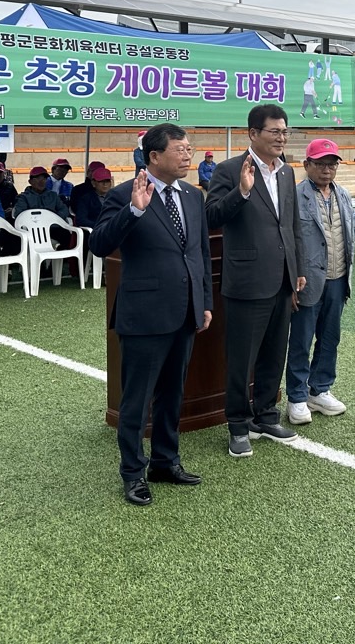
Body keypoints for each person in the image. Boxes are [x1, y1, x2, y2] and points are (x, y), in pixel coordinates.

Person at [89, 124, 212, 506]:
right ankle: (132, 472)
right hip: (144, 315)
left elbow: (200, 254)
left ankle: (165, 461)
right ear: (154, 156)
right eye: (180, 149)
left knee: (172, 394)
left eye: (189, 148)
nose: (188, 155)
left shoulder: (193, 196)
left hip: (185, 311)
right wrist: (133, 211)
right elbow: (99, 244)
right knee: (136, 400)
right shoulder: (126, 194)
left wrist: (205, 301)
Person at [206, 104, 306, 459]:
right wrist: (242, 191)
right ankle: (238, 423)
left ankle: (265, 416)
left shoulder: (286, 172)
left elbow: (291, 225)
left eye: (285, 132)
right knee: (241, 358)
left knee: (274, 354)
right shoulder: (230, 169)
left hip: (282, 279)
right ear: (253, 133)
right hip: (247, 280)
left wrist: (297, 269)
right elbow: (212, 215)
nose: (281, 138)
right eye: (274, 132)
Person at [286, 139, 354, 425]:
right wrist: (291, 279)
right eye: (321, 163)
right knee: (301, 341)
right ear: (307, 165)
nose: (327, 169)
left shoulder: (344, 195)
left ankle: (320, 389)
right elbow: (288, 242)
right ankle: (297, 396)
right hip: (307, 280)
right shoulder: (294, 195)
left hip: (338, 277)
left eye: (332, 164)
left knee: (329, 339)